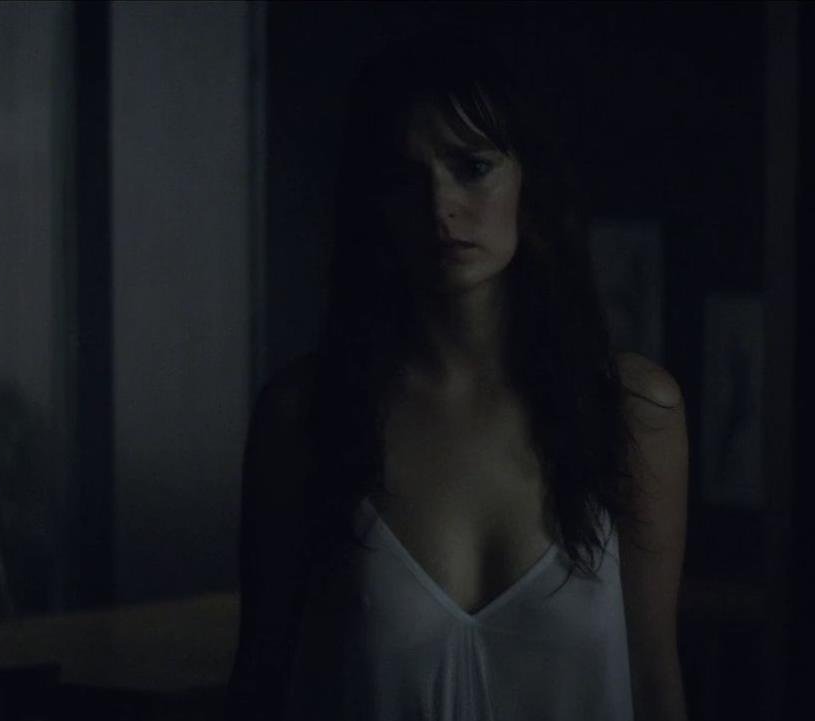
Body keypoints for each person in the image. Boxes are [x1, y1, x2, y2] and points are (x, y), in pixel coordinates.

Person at [227, 29, 689, 721]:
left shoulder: (633, 410)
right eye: (404, 176)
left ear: (527, 179)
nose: (440, 206)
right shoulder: (303, 416)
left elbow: (654, 680)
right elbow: (260, 681)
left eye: (471, 167)